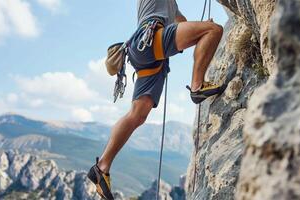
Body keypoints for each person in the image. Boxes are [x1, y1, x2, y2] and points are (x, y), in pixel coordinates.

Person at [87, 0, 227, 199]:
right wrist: (203, 28)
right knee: (213, 30)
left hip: (146, 51)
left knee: (138, 115)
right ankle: (197, 86)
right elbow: (187, 27)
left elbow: (183, 22)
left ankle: (102, 167)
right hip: (151, 39)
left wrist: (198, 27)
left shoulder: (172, 6)